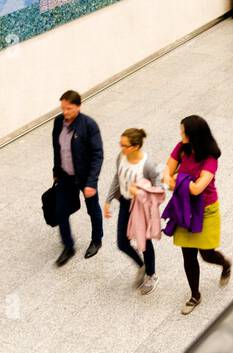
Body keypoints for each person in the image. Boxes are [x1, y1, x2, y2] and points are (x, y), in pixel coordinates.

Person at [163, 116, 231, 316]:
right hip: (185, 207)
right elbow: (166, 171)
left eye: (183, 131)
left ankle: (225, 263)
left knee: (207, 254)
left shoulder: (210, 157)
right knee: (188, 254)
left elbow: (197, 189)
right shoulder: (181, 147)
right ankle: (195, 295)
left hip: (206, 210)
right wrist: (176, 179)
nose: (180, 134)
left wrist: (175, 180)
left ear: (194, 135)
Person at [103, 127, 162, 294]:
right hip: (125, 203)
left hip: (141, 207)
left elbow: (159, 189)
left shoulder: (147, 165)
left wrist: (141, 193)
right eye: (120, 144)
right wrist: (108, 200)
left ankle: (151, 275)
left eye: (124, 145)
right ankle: (142, 266)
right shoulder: (121, 156)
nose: (121, 148)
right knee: (122, 242)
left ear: (135, 146)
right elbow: (117, 177)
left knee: (144, 242)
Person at [50, 90, 104, 266]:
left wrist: (92, 182)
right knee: (60, 211)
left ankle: (97, 240)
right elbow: (57, 148)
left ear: (79, 107)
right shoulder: (58, 122)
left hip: (85, 177)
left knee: (92, 209)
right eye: (63, 108)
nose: (65, 112)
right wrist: (56, 170)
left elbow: (97, 154)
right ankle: (68, 246)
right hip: (65, 175)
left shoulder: (89, 125)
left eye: (69, 108)